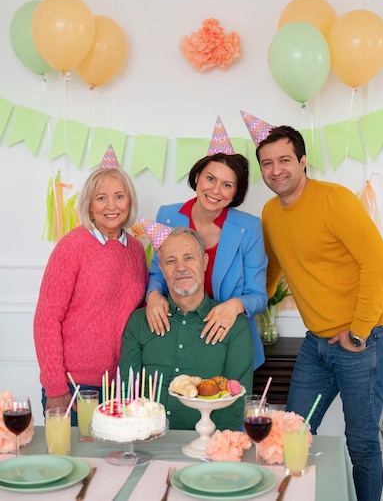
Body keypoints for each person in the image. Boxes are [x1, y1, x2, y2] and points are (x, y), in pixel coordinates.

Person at [251, 123, 383, 501]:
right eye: (267, 163)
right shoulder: (270, 211)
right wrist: (248, 308)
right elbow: (273, 270)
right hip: (317, 343)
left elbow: (377, 265)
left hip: (365, 339)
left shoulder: (335, 200)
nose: (276, 169)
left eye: (284, 159)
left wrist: (360, 331)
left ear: (302, 162)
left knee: (361, 443)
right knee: (290, 433)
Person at [34, 146, 148, 425]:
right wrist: (56, 387)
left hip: (121, 386)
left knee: (115, 466)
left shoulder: (135, 249)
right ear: (89, 205)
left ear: (129, 202)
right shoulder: (72, 246)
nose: (111, 206)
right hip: (74, 386)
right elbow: (46, 319)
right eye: (101, 198)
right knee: (75, 465)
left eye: (119, 197)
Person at [145, 117, 268, 370]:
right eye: (210, 179)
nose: (215, 190)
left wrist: (234, 306)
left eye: (227, 185)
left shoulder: (249, 228)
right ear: (198, 176)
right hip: (176, 338)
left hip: (228, 340)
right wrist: (154, 295)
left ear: (236, 192)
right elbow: (158, 273)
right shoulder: (167, 216)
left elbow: (258, 296)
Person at [119, 225, 254, 430]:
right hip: (148, 441)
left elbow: (234, 405)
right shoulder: (139, 322)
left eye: (189, 257)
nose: (181, 267)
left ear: (205, 262)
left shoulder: (235, 327)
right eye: (171, 261)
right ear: (162, 269)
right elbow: (127, 392)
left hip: (207, 446)